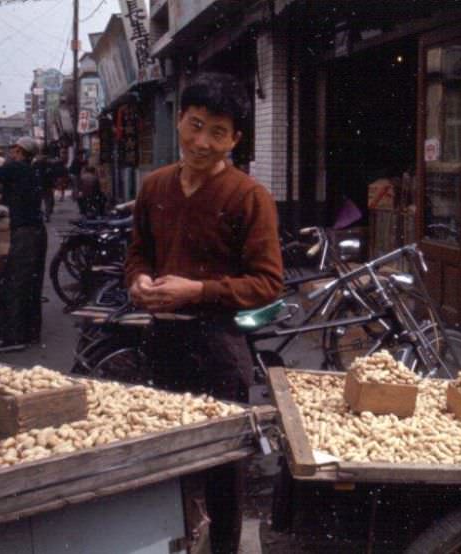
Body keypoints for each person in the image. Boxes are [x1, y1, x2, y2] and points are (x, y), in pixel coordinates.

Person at [125, 72, 283, 554]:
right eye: (195, 125)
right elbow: (137, 255)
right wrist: (137, 283)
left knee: (222, 470)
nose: (202, 142)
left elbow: (268, 284)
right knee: (166, 463)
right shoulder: (154, 188)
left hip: (219, 347)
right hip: (163, 342)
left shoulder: (248, 196)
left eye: (218, 133)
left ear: (234, 139)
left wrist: (196, 290)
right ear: (179, 121)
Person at [0, 136, 47, 352]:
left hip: (26, 234)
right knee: (30, 284)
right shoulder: (28, 171)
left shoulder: (16, 168)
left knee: (15, 283)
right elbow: (12, 198)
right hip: (36, 231)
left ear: (20, 152)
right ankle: (30, 332)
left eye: (14, 150)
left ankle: (14, 338)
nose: (11, 153)